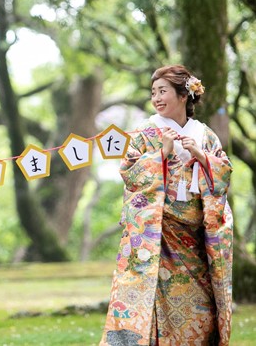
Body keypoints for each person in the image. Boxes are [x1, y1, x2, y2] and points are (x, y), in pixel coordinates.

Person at [100, 64, 233, 346]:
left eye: (163, 91)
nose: (157, 98)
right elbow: (130, 173)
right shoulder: (145, 133)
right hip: (158, 238)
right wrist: (162, 153)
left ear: (184, 95)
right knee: (155, 312)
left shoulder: (205, 135)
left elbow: (223, 175)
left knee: (203, 315)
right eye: (153, 92)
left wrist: (201, 155)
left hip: (195, 241)